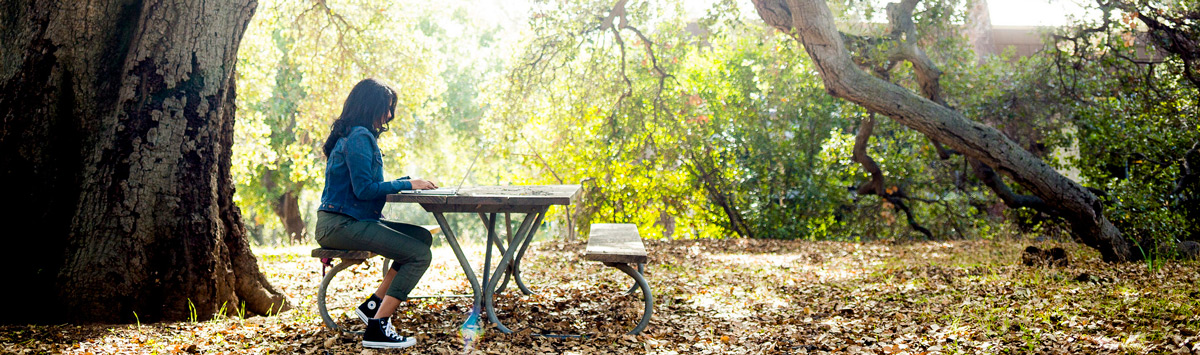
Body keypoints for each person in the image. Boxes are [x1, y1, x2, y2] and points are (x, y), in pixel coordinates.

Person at [315, 78, 438, 349]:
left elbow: (363, 185)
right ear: (371, 106)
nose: (390, 115)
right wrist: (407, 184)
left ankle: (373, 306)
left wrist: (407, 182)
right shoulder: (359, 136)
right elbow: (364, 190)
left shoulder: (356, 135)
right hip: (341, 225)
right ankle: (378, 329)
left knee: (421, 237)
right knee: (419, 255)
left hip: (348, 221)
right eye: (387, 107)